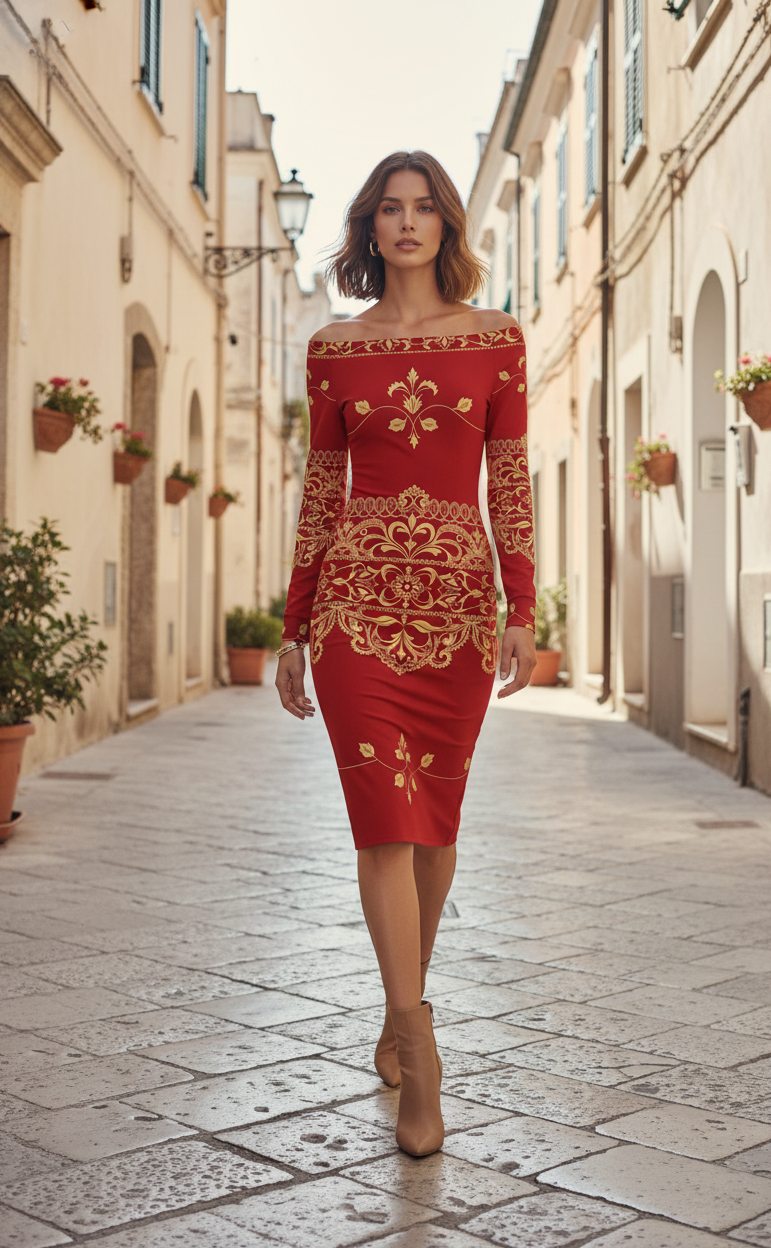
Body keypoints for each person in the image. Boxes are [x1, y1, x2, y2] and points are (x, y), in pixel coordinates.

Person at [275, 150, 536, 1157]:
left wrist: (519, 606)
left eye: (425, 207)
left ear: (448, 225)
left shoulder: (497, 341)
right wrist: (295, 624)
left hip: (459, 613)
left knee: (433, 824)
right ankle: (422, 1049)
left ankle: (395, 1007)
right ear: (367, 228)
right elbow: (320, 494)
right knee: (383, 820)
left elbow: (509, 482)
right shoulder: (333, 350)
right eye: (390, 208)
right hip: (355, 608)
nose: (408, 223)